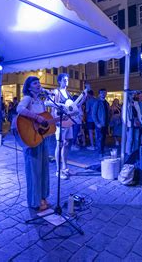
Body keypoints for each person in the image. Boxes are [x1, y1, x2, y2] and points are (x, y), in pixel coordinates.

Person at [14, 76, 51, 210]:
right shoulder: (28, 98)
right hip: (31, 137)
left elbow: (44, 118)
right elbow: (19, 109)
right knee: (34, 170)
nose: (38, 85)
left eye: (39, 82)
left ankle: (42, 197)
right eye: (35, 83)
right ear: (29, 87)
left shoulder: (40, 100)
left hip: (40, 136)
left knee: (43, 168)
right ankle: (35, 201)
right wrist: (37, 118)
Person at [51, 73, 86, 179]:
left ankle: (65, 167)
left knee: (67, 144)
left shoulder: (68, 93)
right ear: (59, 81)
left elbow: (74, 107)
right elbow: (53, 106)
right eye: (65, 80)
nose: (67, 81)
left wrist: (83, 98)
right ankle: (58, 170)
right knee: (59, 144)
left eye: (67, 80)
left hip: (68, 122)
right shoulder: (56, 92)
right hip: (60, 122)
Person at [92, 88, 110, 157]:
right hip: (99, 124)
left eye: (104, 93)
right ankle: (100, 153)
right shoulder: (97, 102)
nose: (103, 94)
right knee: (100, 138)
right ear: (99, 94)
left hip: (105, 124)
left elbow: (108, 113)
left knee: (103, 138)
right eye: (102, 93)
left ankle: (102, 151)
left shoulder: (106, 103)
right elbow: (94, 114)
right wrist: (97, 123)